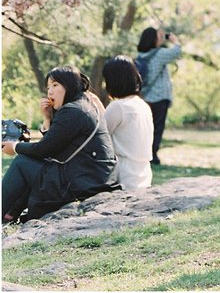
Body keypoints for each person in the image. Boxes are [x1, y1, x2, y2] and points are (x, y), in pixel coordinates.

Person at [2, 66, 120, 223]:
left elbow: (43, 150)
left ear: (69, 85)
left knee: (22, 163)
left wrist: (15, 147)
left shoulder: (73, 111)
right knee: (32, 164)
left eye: (55, 85)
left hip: (85, 184)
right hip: (93, 178)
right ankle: (9, 215)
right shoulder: (83, 104)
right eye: (48, 87)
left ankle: (6, 212)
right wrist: (47, 118)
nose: (50, 92)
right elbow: (54, 145)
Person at [102, 56, 154, 191]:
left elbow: (98, 136)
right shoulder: (142, 105)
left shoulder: (118, 107)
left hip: (124, 178)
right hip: (144, 175)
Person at [136, 27, 182, 166]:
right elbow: (177, 52)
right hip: (159, 96)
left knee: (147, 128)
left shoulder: (141, 55)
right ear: (154, 39)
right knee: (157, 128)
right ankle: (152, 156)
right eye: (158, 36)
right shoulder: (160, 53)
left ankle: (145, 154)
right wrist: (175, 41)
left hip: (146, 96)